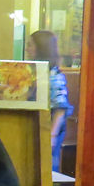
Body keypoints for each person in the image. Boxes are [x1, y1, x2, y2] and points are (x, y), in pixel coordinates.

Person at [27, 30, 72, 172]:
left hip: (47, 131)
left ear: (41, 47)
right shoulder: (37, 71)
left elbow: (60, 109)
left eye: (30, 45)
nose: (27, 49)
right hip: (39, 130)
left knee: (46, 170)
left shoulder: (54, 75)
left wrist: (51, 136)